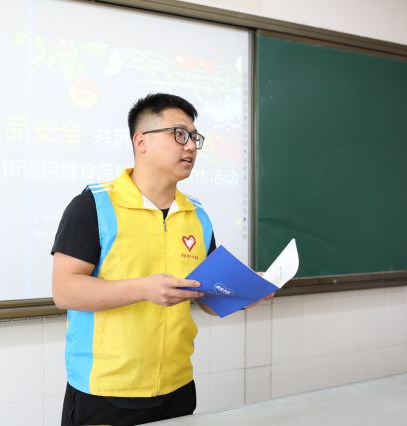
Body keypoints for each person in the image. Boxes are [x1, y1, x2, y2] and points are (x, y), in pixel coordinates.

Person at [51, 93, 270, 425]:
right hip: (106, 390)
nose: (191, 146)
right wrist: (144, 289)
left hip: (176, 387)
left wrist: (247, 293)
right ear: (141, 141)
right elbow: (65, 291)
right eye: (179, 134)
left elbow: (208, 298)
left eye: (194, 137)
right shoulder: (93, 205)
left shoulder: (196, 215)